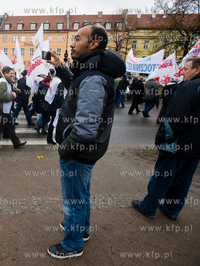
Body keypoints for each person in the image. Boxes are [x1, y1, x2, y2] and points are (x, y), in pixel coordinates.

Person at [47, 25, 126, 259]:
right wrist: (61, 68)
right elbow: (76, 86)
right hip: (88, 150)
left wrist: (65, 149)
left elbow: (85, 129)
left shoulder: (93, 77)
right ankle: (82, 230)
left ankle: (73, 244)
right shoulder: (92, 71)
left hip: (79, 151)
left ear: (93, 44)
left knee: (74, 200)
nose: (71, 43)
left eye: (77, 39)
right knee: (82, 193)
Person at [132, 57, 200, 220]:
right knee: (183, 181)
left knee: (162, 178)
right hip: (198, 146)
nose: (183, 72)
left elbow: (174, 117)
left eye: (187, 68)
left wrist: (162, 137)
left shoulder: (190, 86)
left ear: (198, 69)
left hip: (177, 144)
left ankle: (148, 207)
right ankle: (172, 209)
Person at [0, 66, 27, 150]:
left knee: (10, 127)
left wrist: (13, 92)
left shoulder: (5, 82)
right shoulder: (3, 82)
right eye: (11, 73)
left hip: (4, 110)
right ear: (5, 73)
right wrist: (12, 96)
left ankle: (16, 143)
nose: (13, 75)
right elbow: (2, 96)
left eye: (13, 73)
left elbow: (5, 92)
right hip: (1, 110)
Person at [45, 69, 65, 144]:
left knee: (53, 122)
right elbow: (59, 95)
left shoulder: (55, 80)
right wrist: (60, 106)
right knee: (55, 122)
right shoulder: (60, 81)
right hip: (55, 104)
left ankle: (49, 138)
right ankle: (53, 138)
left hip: (51, 102)